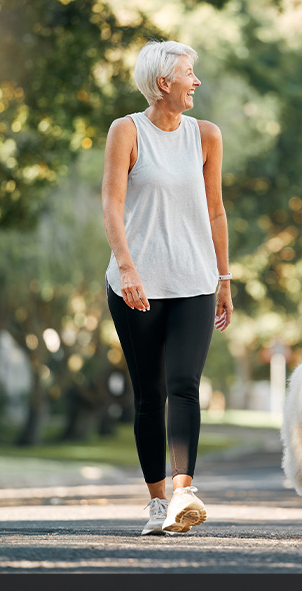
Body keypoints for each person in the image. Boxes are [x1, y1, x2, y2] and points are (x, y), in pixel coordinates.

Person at [102, 39, 233, 536]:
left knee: (184, 385)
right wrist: (127, 267)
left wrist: (224, 278)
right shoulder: (126, 131)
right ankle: (157, 501)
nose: (196, 81)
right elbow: (113, 205)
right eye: (188, 73)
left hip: (194, 281)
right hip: (137, 285)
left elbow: (217, 210)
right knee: (148, 392)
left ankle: (183, 493)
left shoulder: (206, 136)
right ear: (163, 83)